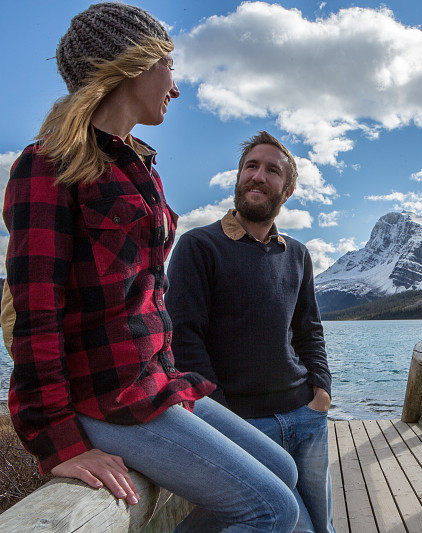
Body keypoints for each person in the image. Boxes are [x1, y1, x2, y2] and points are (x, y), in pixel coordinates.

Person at [2, 4, 299, 531]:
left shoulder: (139, 166)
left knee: (283, 468)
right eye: (168, 64)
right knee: (271, 508)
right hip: (104, 398)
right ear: (132, 64)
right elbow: (37, 316)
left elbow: (147, 298)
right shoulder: (47, 165)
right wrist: (60, 443)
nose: (175, 86)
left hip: (154, 382)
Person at [166, 131, 335, 532]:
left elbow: (309, 329)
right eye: (250, 167)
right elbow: (184, 340)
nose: (258, 176)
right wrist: (223, 417)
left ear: (287, 190)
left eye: (271, 170)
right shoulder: (198, 246)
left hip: (306, 416)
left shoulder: (296, 253)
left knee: (323, 527)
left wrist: (321, 389)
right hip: (244, 425)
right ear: (239, 176)